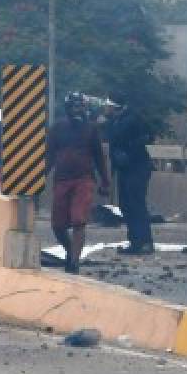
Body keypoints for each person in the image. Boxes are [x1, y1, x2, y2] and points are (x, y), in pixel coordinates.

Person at [47, 93, 110, 274]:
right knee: (57, 226)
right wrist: (37, 180)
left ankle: (74, 262)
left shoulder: (91, 129)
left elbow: (99, 157)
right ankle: (70, 252)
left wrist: (105, 181)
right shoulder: (57, 128)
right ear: (67, 108)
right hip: (61, 180)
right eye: (74, 107)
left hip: (84, 179)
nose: (78, 110)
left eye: (80, 107)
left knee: (78, 221)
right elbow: (49, 156)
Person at [105, 99, 155, 255]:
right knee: (126, 205)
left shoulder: (132, 119)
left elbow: (149, 136)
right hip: (125, 169)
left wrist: (130, 151)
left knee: (136, 204)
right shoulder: (116, 121)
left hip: (137, 167)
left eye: (108, 106)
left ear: (114, 107)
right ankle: (136, 242)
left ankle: (145, 242)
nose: (106, 108)